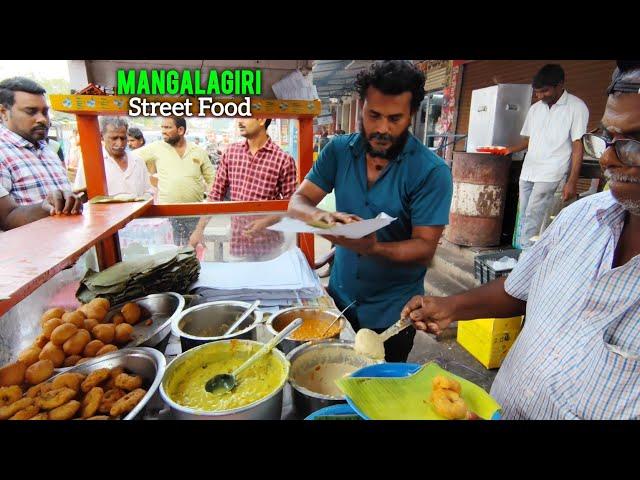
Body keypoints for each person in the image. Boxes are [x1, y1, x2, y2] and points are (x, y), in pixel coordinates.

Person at [402, 61, 640, 420]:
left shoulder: (572, 109)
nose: (607, 157)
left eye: (632, 144)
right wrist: (451, 307)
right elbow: (518, 290)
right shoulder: (579, 218)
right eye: (608, 139)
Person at [287, 60, 453, 362]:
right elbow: (297, 203)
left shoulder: (431, 172)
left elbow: (424, 247)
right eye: (373, 115)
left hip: (393, 314)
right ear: (361, 106)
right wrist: (328, 221)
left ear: (412, 115)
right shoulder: (337, 151)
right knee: (333, 379)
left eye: (395, 118)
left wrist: (374, 247)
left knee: (379, 393)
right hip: (339, 299)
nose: (382, 128)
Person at [505, 64, 589, 248]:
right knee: (525, 216)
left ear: (560, 85)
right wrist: (507, 150)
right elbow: (529, 140)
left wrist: (572, 181)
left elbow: (577, 145)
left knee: (536, 218)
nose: (540, 96)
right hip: (528, 171)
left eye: (545, 91)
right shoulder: (536, 108)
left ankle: (525, 258)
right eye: (537, 92)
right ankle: (523, 254)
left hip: (552, 173)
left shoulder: (576, 107)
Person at [189, 117, 297, 259]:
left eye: (245, 117)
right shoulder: (231, 153)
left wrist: (265, 222)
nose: (239, 122)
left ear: (261, 119)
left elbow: (293, 205)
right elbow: (215, 195)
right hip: (239, 246)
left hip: (270, 248)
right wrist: (199, 230)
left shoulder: (282, 159)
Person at [0, 77, 81, 209]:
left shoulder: (48, 150)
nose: (43, 119)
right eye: (31, 111)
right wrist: (47, 207)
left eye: (45, 112)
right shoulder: (2, 152)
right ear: (3, 112)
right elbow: (7, 218)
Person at [136, 116, 215, 245]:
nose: (163, 131)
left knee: (193, 253)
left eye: (167, 127)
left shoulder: (198, 151)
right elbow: (131, 160)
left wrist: (209, 205)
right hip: (167, 215)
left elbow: (212, 180)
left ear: (180, 130)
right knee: (171, 254)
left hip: (194, 214)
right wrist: (149, 182)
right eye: (162, 127)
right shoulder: (156, 148)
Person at [74, 117, 153, 197]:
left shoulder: (138, 161)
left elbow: (148, 191)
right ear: (101, 136)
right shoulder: (90, 163)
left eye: (123, 138)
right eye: (114, 138)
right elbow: (80, 194)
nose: (119, 143)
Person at [1, 187, 82, 231]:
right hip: (34, 247)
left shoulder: (52, 157)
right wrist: (48, 206)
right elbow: (7, 216)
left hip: (73, 236)